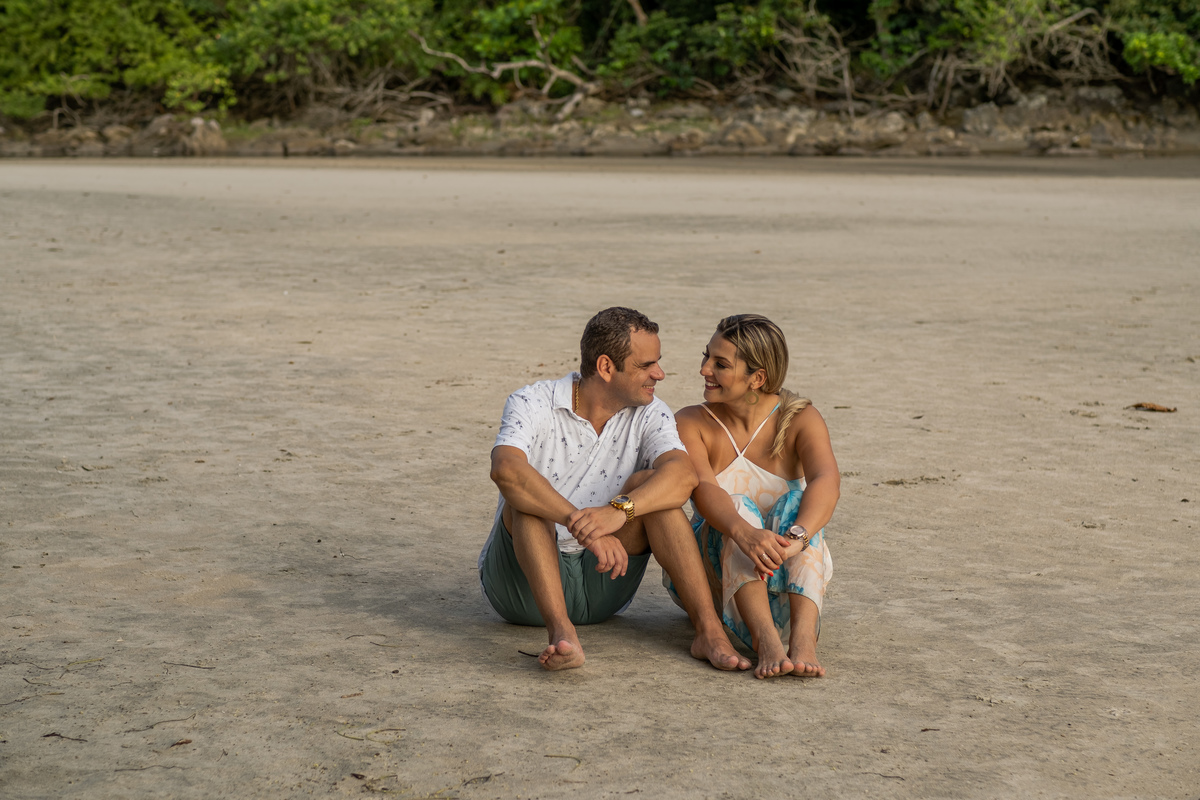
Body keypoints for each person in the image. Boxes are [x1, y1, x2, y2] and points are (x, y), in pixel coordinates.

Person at [480, 307, 751, 672]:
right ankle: (562, 634)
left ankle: (710, 633)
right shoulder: (532, 401)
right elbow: (507, 471)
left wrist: (616, 513)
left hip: (606, 582)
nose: (660, 374)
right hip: (521, 589)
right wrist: (582, 525)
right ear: (606, 367)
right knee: (527, 500)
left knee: (654, 493)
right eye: (646, 365)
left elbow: (683, 476)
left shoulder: (651, 412)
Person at [673, 314, 839, 679]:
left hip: (787, 578)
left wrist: (796, 539)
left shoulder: (799, 418)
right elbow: (702, 490)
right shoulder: (691, 422)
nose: (704, 369)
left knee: (799, 509)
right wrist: (744, 532)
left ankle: (803, 640)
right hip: (720, 582)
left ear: (757, 378)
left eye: (720, 364)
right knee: (737, 507)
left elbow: (827, 479)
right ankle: (767, 642)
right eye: (706, 357)